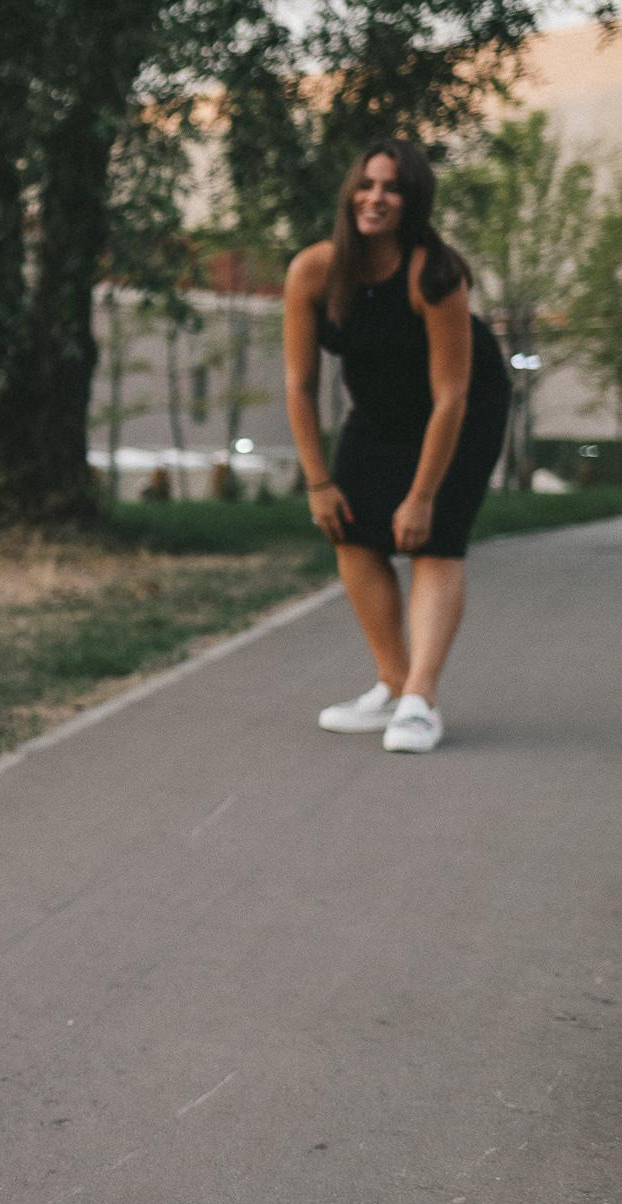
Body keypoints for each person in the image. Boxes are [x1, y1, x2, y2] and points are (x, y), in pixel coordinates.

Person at [282, 138, 509, 754]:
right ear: (350, 192)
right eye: (367, 184)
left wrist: (422, 495)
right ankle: (391, 683)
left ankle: (420, 701)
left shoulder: (434, 274)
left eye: (392, 188)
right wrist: (318, 482)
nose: (376, 198)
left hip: (463, 409)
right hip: (379, 413)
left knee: (432, 544)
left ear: (413, 203)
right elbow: (299, 388)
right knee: (351, 533)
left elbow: (452, 397)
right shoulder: (314, 271)